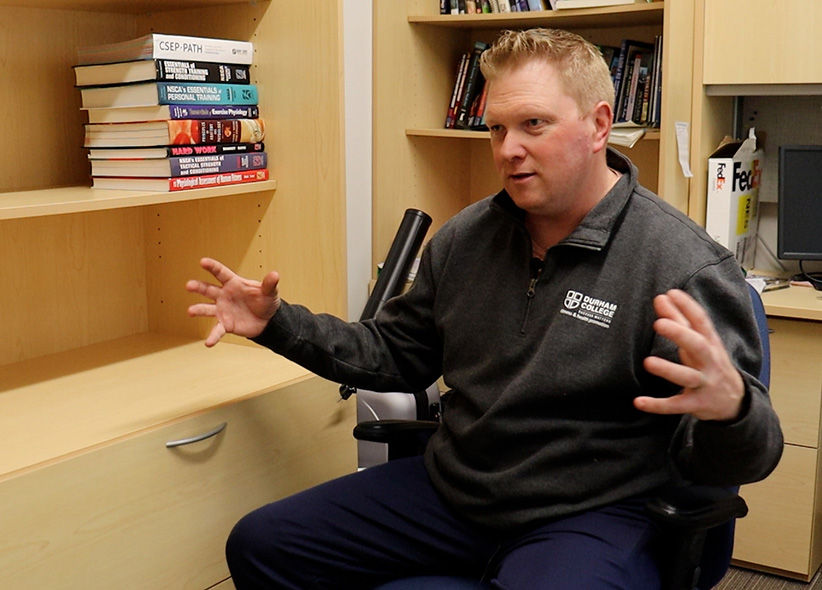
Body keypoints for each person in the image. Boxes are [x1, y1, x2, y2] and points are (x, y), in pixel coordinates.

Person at [186, 28, 783, 590]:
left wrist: (731, 412)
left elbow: (753, 454)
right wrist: (276, 323)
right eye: (496, 129)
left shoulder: (682, 265)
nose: (509, 150)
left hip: (591, 511)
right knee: (263, 544)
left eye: (533, 124)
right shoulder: (465, 237)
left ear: (600, 125)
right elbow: (396, 354)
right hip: (458, 491)